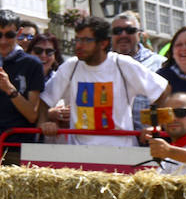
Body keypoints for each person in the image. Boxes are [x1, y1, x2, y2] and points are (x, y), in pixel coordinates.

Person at [40, 17, 169, 146]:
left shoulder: (122, 64)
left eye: (86, 40)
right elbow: (44, 101)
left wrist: (156, 125)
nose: (79, 45)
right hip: (79, 154)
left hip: (121, 152)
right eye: (77, 39)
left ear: (103, 43)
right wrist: (44, 123)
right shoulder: (71, 66)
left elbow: (163, 90)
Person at [0, 9, 45, 157]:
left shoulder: (32, 64)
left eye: (9, 35)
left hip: (20, 149)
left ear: (19, 33)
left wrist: (10, 89)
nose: (3, 41)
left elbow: (32, 115)